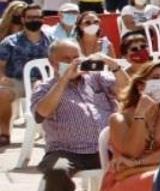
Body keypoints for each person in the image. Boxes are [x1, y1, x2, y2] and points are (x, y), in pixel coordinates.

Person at [32, 40, 128, 191]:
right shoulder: (44, 87)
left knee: (141, 162)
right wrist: (64, 79)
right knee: (56, 172)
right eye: (66, 59)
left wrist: (112, 64)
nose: (73, 63)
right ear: (52, 62)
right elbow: (41, 113)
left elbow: (127, 91)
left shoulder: (96, 77)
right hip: (66, 151)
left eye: (76, 57)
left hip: (107, 148)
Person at [102, 59, 160, 191]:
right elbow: (133, 153)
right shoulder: (118, 118)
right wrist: (140, 113)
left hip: (151, 172)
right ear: (140, 86)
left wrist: (137, 164)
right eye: (156, 77)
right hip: (125, 181)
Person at [0, 3, 51, 145]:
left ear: (43, 19)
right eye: (30, 17)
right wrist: (2, 77)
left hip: (43, 82)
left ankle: (54, 134)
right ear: (23, 19)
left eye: (38, 17)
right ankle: (4, 133)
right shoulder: (10, 42)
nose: (34, 20)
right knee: (2, 94)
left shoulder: (51, 40)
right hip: (16, 81)